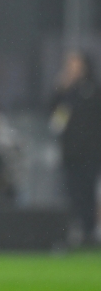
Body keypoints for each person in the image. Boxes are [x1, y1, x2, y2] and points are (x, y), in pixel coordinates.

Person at [49, 51, 101, 243]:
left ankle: (89, 231)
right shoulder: (65, 92)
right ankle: (73, 230)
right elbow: (54, 115)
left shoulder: (93, 90)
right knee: (71, 193)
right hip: (71, 154)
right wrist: (60, 88)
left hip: (91, 153)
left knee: (88, 192)